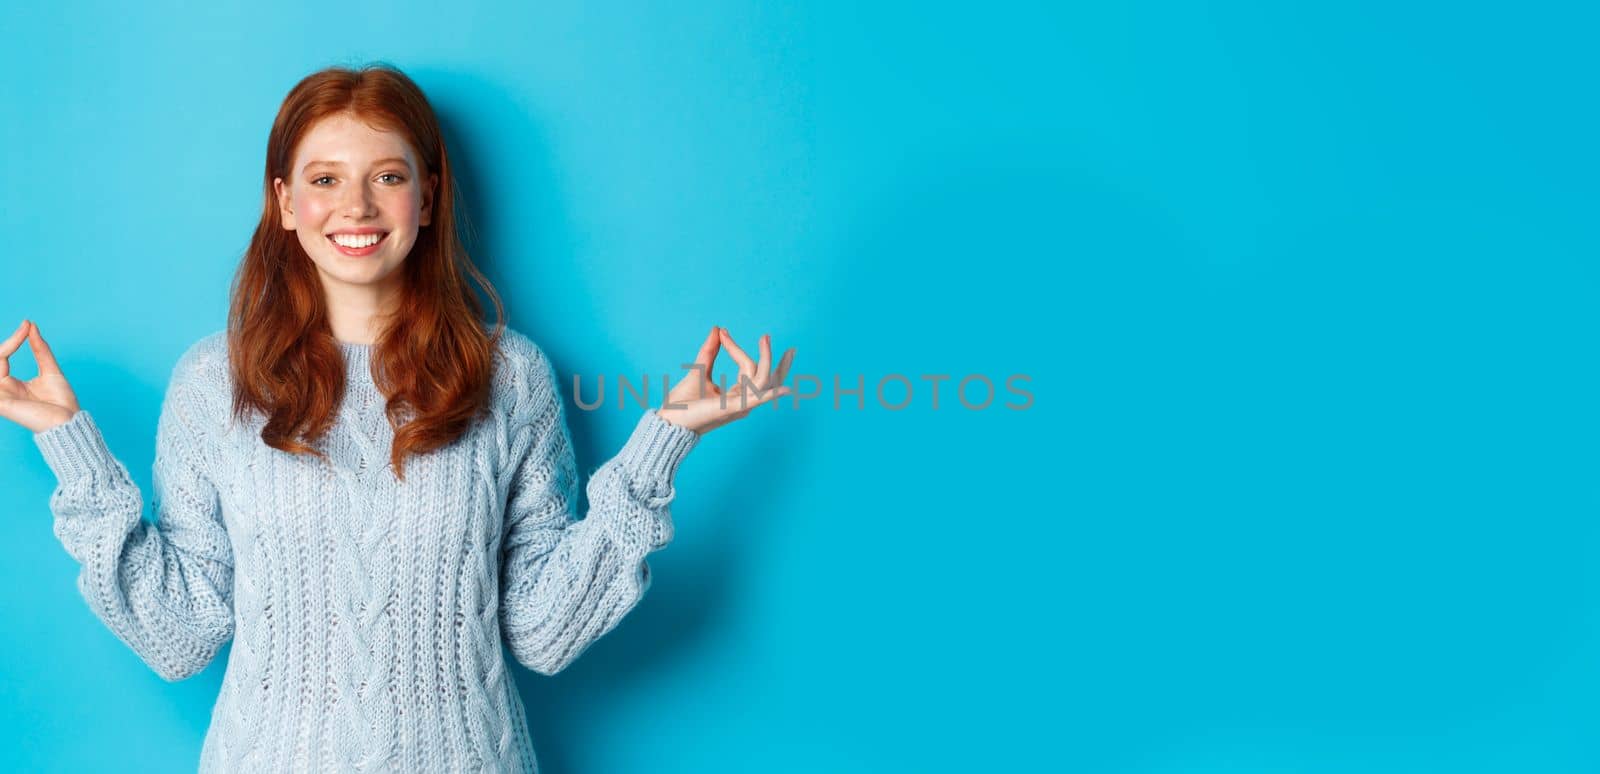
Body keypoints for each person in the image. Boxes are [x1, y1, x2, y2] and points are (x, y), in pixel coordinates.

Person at [0, 63, 795, 773]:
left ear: (428, 195)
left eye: (386, 175)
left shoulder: (508, 374)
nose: (355, 205)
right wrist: (69, 449)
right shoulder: (216, 381)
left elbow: (547, 632)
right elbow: (179, 633)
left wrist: (666, 444)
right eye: (323, 179)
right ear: (283, 203)